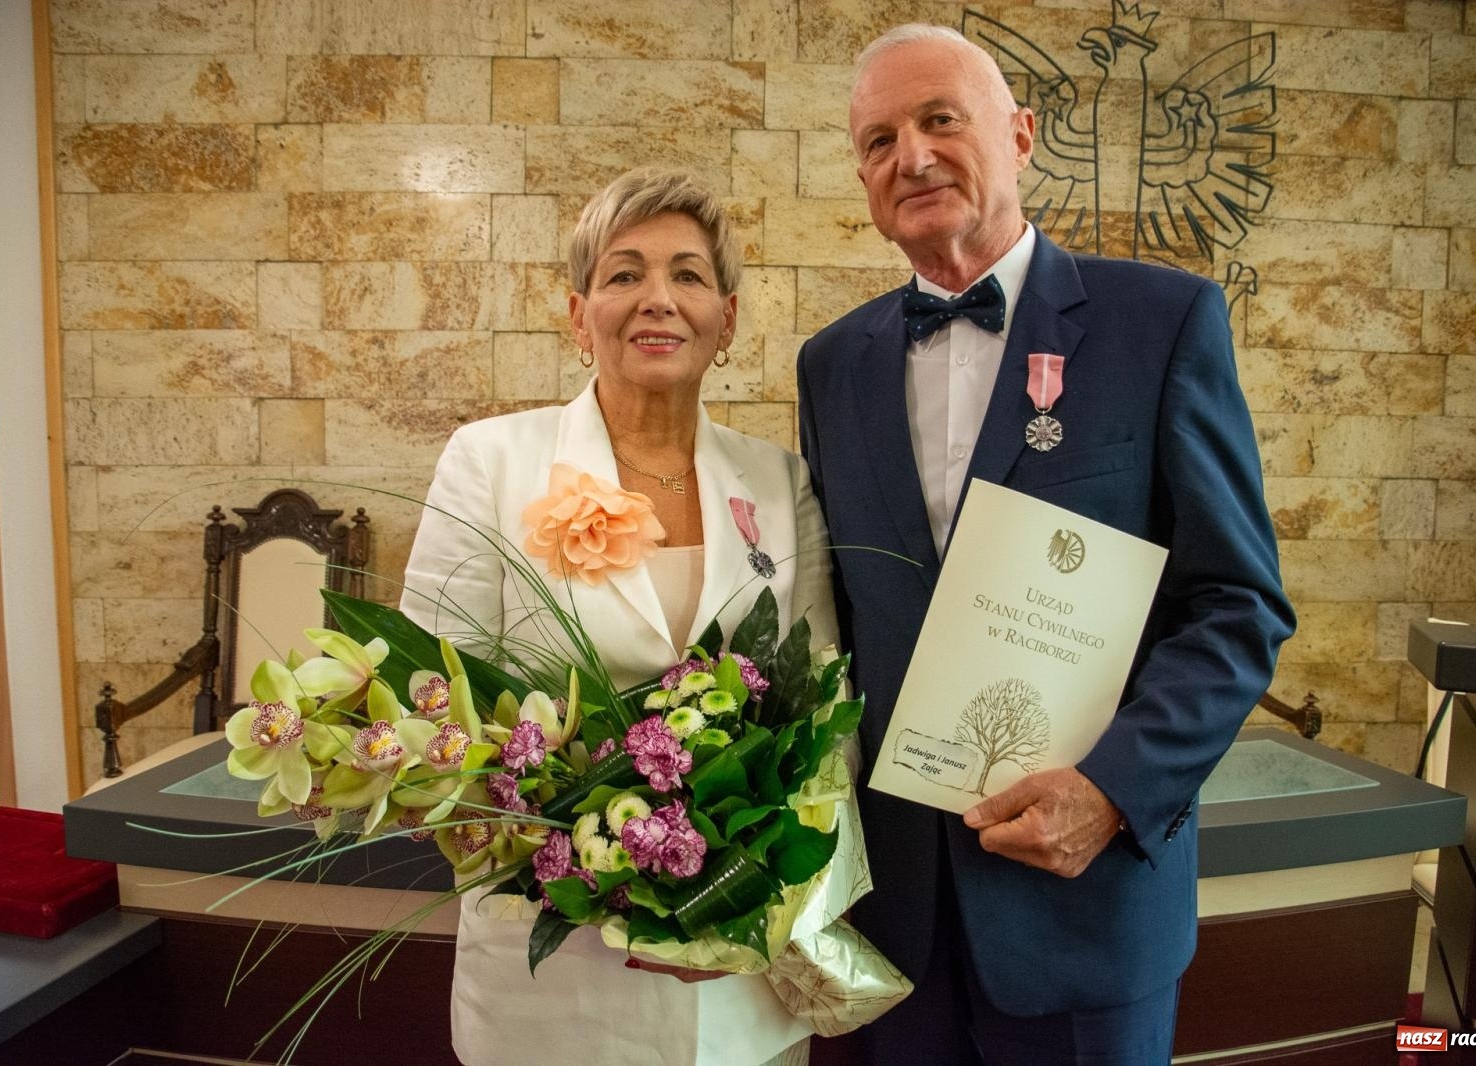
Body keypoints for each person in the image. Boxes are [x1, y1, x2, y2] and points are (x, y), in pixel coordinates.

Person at [796, 23, 1296, 1066]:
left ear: (1020, 136)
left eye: (942, 120)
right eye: (880, 139)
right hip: (883, 929)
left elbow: (1238, 605)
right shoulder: (829, 364)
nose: (913, 157)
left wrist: (1114, 788)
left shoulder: (1162, 321)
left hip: (1085, 914)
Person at [403, 167, 833, 1066]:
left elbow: (821, 712)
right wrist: (595, 868)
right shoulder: (492, 462)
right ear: (577, 312)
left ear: (728, 317)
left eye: (686, 274)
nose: (657, 300)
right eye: (624, 273)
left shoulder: (781, 482)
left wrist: (750, 885)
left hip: (734, 969)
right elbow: (428, 699)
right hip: (555, 963)